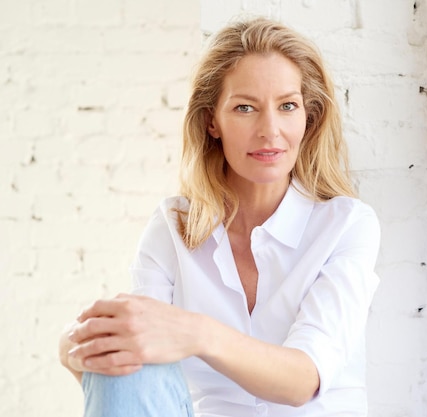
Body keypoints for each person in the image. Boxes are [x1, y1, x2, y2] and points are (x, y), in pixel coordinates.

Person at [59, 16, 381, 417]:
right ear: (212, 121)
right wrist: (76, 348)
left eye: (287, 106)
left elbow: (304, 379)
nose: (270, 130)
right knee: (127, 364)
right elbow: (132, 354)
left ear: (308, 117)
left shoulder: (347, 225)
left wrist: (195, 334)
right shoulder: (173, 226)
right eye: (245, 107)